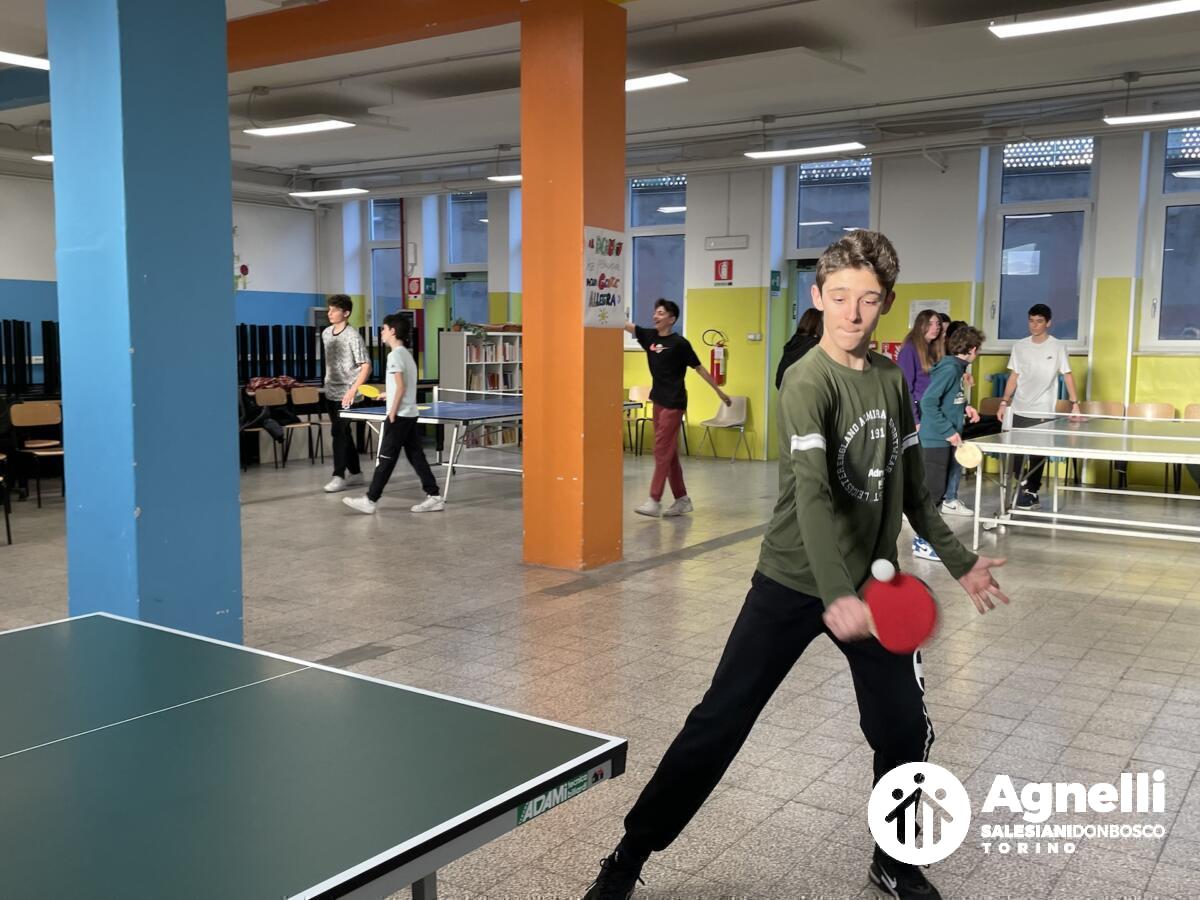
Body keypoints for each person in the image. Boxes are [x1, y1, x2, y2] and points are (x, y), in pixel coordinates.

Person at [585, 232, 1008, 900]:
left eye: (867, 299)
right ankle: (629, 854)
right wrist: (835, 592)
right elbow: (811, 492)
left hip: (873, 588)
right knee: (720, 720)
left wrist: (960, 561)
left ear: (886, 303)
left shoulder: (891, 381)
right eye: (839, 297)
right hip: (791, 580)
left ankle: (893, 860)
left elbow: (909, 490)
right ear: (818, 296)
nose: (852, 313)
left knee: (904, 727)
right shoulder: (808, 379)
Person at [625, 299, 730, 518]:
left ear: (671, 319)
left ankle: (654, 499)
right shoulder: (649, 337)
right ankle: (682, 499)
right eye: (655, 312)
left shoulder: (680, 344)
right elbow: (625, 325)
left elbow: (699, 368)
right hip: (658, 401)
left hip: (674, 402)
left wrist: (719, 392)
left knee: (661, 450)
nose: (655, 316)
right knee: (669, 452)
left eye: (661, 313)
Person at [342, 315, 444, 515]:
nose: (381, 332)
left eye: (384, 328)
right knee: (416, 456)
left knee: (386, 458)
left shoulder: (394, 356)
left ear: (393, 331)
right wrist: (387, 394)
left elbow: (401, 387)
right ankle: (434, 496)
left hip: (399, 416)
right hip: (410, 414)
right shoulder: (407, 355)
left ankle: (370, 500)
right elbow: (405, 386)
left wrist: (393, 412)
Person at [997, 303, 1080, 510]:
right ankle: (1023, 485)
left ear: (1048, 323)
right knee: (1016, 452)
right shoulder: (1019, 346)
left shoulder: (1058, 346)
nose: (1034, 325)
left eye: (1039, 321)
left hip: (1043, 410)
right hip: (1019, 407)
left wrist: (1075, 404)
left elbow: (1067, 375)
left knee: (1037, 454)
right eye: (1031, 321)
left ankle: (1032, 492)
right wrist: (1004, 402)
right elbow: (1014, 376)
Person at [914, 325, 985, 560]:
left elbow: (950, 397)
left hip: (944, 438)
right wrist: (948, 431)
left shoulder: (956, 368)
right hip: (936, 439)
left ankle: (929, 538)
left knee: (939, 491)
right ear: (972, 349)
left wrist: (966, 407)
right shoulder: (950, 369)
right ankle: (922, 541)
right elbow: (928, 402)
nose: (978, 353)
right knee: (933, 492)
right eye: (978, 350)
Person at [321, 294, 372, 493]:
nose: (330, 313)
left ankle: (338, 475)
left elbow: (366, 366)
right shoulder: (326, 333)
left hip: (348, 393)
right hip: (330, 391)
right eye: (329, 309)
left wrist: (353, 390)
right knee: (343, 433)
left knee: (338, 432)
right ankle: (356, 473)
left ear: (346, 313)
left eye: (334, 310)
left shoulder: (353, 336)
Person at [896, 309, 943, 427]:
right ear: (920, 326)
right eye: (930, 324)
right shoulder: (909, 349)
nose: (936, 327)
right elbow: (905, 388)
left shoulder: (933, 348)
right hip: (919, 409)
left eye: (938, 324)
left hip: (933, 406)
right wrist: (915, 420)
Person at [774, 306, 823, 389]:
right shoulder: (815, 345)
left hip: (785, 390)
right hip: (802, 392)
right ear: (819, 325)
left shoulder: (794, 341)